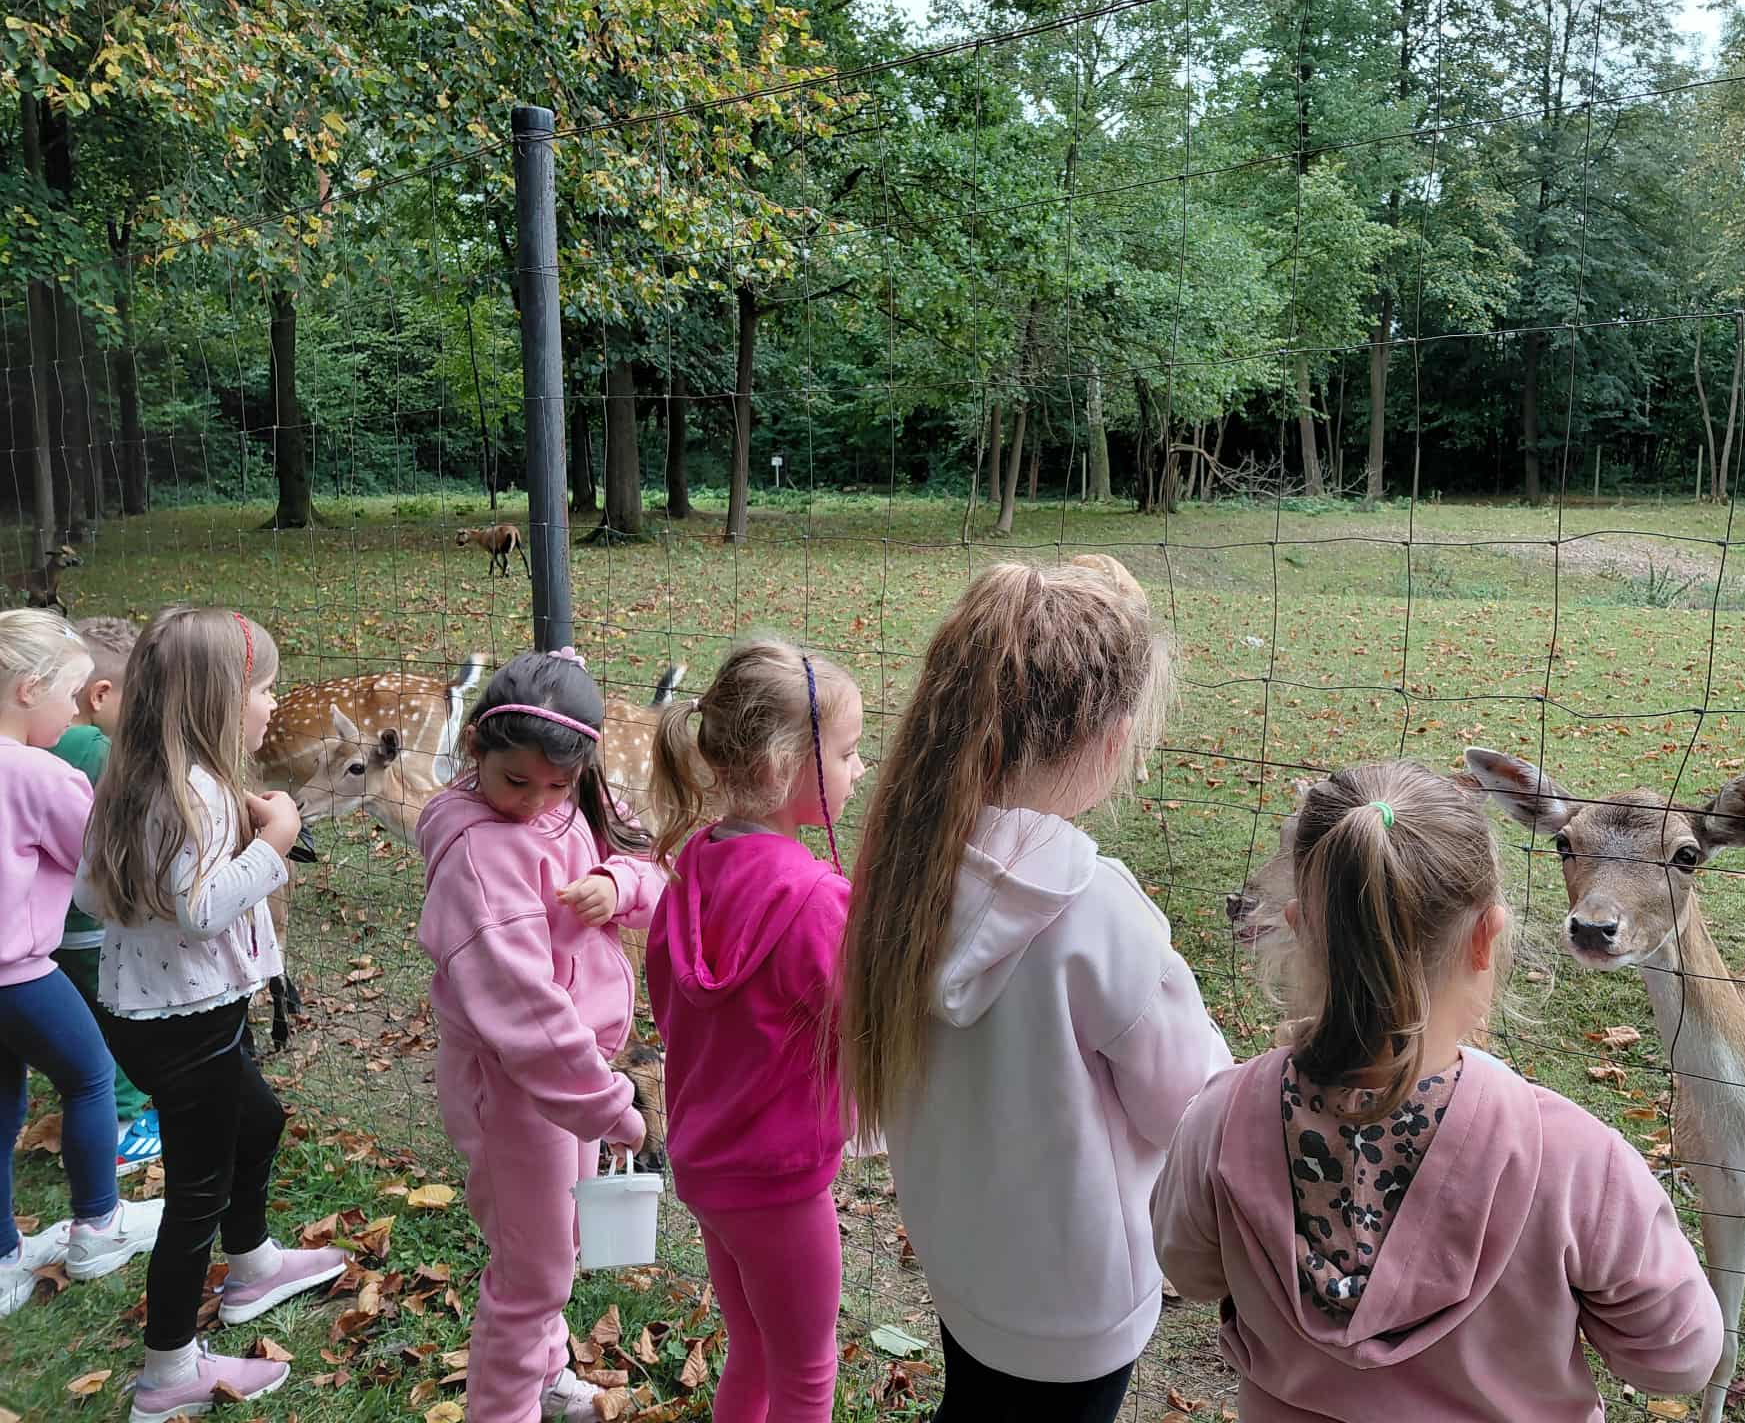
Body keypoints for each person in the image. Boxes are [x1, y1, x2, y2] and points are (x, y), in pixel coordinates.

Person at [1149, 761, 1723, 1422]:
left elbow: (1191, 1271)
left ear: (1301, 928)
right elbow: (1677, 1358)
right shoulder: (1578, 1164)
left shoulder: (1222, 1117)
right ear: (1488, 937)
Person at [838, 560, 1233, 1422]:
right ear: (1108, 737)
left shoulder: (904, 866)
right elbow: (1188, 1106)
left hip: (960, 1254)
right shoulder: (1096, 911)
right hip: (1074, 1302)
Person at [75, 607, 348, 1419]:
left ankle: (254, 1263)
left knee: (258, 1122)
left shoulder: (131, 778)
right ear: (217, 700)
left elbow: (92, 891)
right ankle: (167, 1375)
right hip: (188, 1020)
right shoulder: (197, 793)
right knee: (196, 1191)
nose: (274, 704)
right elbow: (200, 911)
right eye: (264, 689)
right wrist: (274, 844)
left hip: (147, 1010)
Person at [417, 648, 666, 1423]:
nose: (534, 803)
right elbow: (529, 1016)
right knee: (533, 1270)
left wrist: (617, 883)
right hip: (520, 1092)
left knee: (552, 1244)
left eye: (559, 785)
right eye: (514, 781)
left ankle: (544, 1376)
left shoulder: (562, 813)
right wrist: (617, 1109)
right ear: (475, 753)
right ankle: (505, 1407)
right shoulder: (480, 863)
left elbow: (656, 876)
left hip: (567, 1088)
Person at [644, 640, 865, 1423]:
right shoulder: (813, 900)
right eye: (845, 752)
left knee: (752, 1346)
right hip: (780, 1184)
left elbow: (668, 999)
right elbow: (867, 1020)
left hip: (706, 1171)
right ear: (779, 769)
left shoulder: (690, 871)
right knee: (806, 1370)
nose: (858, 769)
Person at [0, 610, 163, 1319]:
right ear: (30, 689)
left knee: (4, 1103)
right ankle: (99, 1224)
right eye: (68, 699)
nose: (73, 714)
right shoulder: (40, 773)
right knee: (91, 1074)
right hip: (20, 974)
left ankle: (4, 1254)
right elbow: (100, 864)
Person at [46, 616, 158, 1176]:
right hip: (89, 922)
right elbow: (122, 822)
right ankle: (122, 1123)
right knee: (111, 1018)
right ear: (101, 694)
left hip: (42, 927)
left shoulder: (31, 739)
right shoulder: (90, 745)